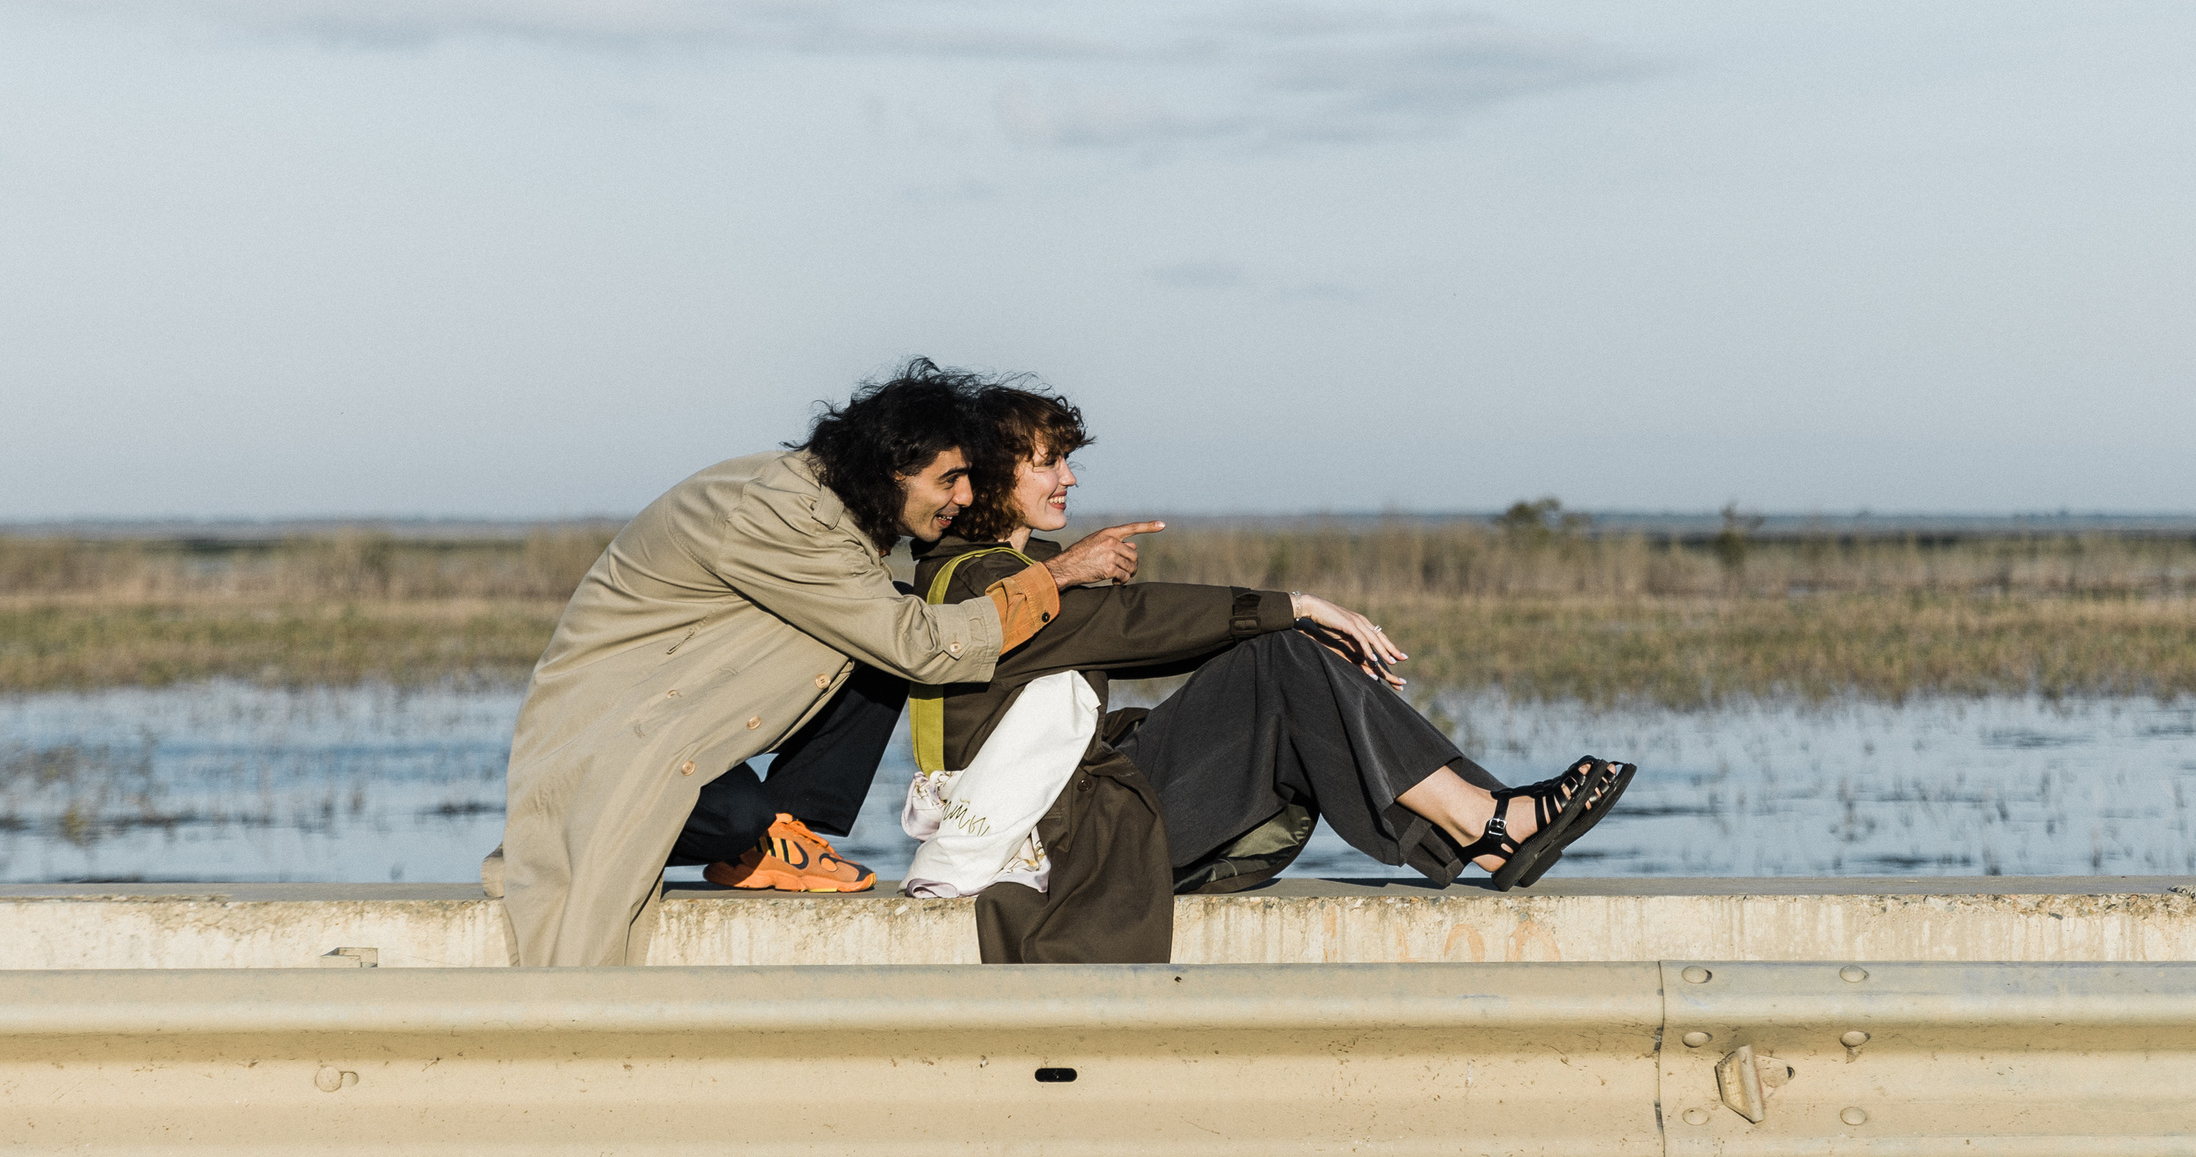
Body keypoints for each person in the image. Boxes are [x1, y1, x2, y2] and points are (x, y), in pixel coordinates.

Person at [906, 382, 1633, 964]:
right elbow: (1129, 623)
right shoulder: (977, 583)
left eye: (1066, 459)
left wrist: (1298, 643)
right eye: (1047, 462)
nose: (1068, 477)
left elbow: (1131, 634)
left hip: (1087, 815)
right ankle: (1486, 824)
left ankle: (1484, 822)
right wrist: (1296, 607)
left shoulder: (1013, 570)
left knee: (1281, 658)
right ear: (992, 476)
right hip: (1073, 843)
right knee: (1279, 655)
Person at [494, 360, 1155, 967]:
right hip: (609, 745)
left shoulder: (829, 508)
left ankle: (786, 829)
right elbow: (918, 645)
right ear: (892, 472)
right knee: (741, 813)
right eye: (948, 480)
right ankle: (763, 835)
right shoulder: (785, 515)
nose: (962, 495)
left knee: (888, 615)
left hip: (666, 722)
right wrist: (1057, 574)